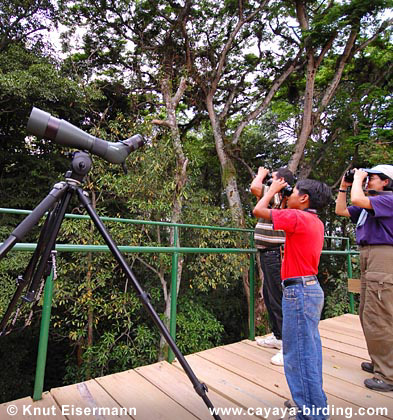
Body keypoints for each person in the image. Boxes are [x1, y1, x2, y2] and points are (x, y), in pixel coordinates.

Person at [253, 178, 331, 420]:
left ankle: (311, 414)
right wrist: (284, 195)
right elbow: (281, 213)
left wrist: (273, 190)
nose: (291, 193)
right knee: (309, 351)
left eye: (294, 191)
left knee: (298, 355)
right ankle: (313, 403)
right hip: (309, 289)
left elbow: (259, 211)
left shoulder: (298, 218)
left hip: (299, 292)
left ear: (305, 198)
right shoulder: (313, 220)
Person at [335, 165, 393, 392]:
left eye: (372, 178)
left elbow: (358, 200)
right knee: (368, 312)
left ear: (386, 182)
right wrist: (343, 186)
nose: (368, 181)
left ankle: (387, 375)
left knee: (380, 315)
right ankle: (381, 361)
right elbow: (341, 210)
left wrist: (358, 180)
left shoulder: (388, 200)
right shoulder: (372, 204)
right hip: (369, 255)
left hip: (383, 257)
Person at [250, 166, 294, 366]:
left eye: (273, 179)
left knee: (278, 298)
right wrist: (266, 181)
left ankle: (288, 346)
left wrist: (261, 176)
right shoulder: (272, 196)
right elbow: (256, 190)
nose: (269, 182)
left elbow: (254, 189)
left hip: (277, 253)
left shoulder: (289, 198)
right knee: (269, 296)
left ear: (282, 181)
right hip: (266, 252)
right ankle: (278, 336)